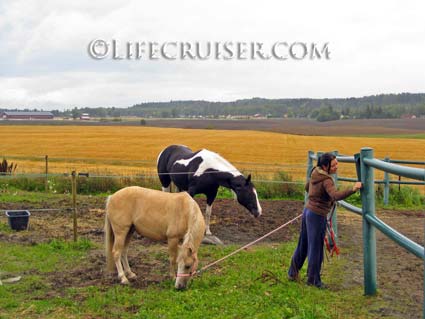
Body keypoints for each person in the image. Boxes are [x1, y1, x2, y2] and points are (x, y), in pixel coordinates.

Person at [288, 153, 362, 288]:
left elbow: (307, 187)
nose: (336, 167)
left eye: (337, 164)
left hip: (307, 212)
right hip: (317, 215)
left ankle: (292, 272)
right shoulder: (327, 180)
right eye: (333, 165)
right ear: (325, 166)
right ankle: (313, 281)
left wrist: (316, 196)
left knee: (303, 244)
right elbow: (335, 195)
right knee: (315, 248)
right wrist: (353, 188)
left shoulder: (315, 173)